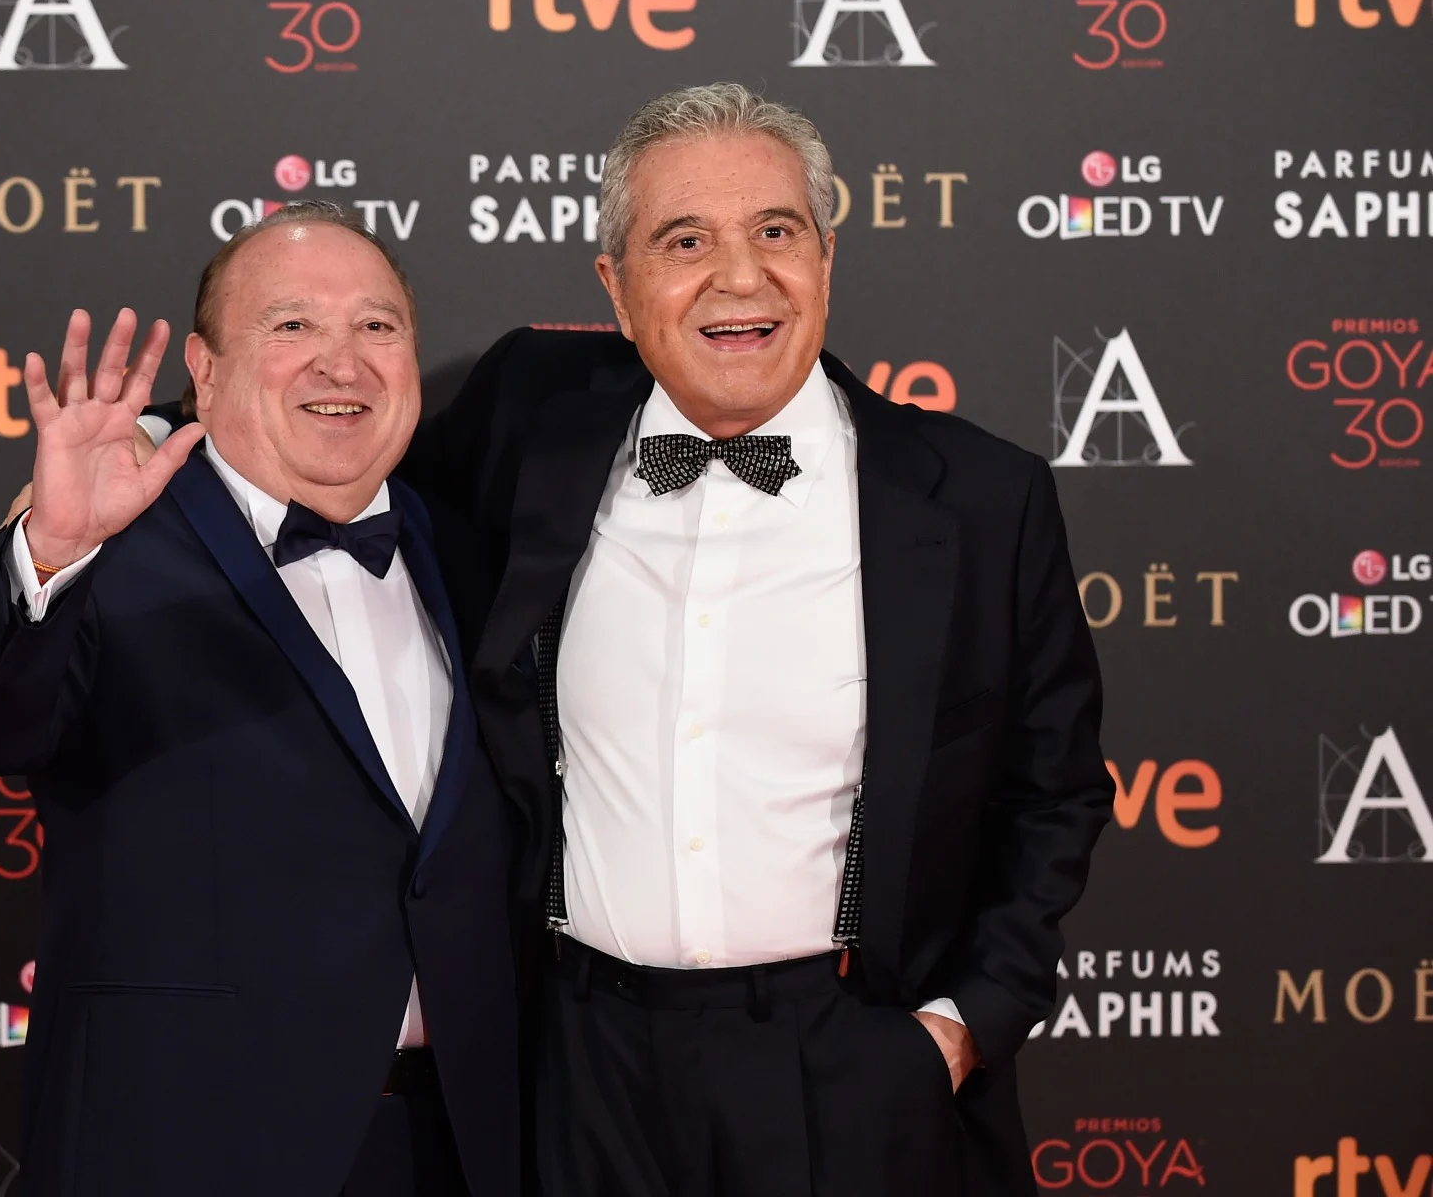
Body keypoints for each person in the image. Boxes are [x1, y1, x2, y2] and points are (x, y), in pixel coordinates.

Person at [144, 83, 1112, 1196]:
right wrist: (152, 434)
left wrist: (960, 1027)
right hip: (578, 1063)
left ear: (827, 258)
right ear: (616, 284)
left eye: (776, 232)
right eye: (685, 241)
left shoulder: (980, 498)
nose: (740, 278)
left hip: (850, 1058)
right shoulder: (531, 420)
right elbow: (326, 436)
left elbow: (1055, 790)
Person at [0, 203, 518, 1197]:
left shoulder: (473, 548)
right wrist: (53, 550)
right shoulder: (112, 546)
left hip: (453, 1147)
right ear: (207, 369)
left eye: (377, 325)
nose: (342, 362)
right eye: (291, 326)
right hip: (183, 1142)